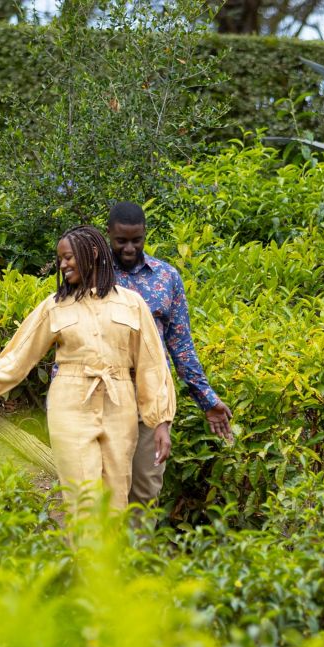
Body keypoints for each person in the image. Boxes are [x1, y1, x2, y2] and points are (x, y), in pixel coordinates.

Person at [0, 225, 175, 518]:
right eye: (60, 260)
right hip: (71, 404)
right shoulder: (54, 308)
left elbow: (152, 365)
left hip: (120, 405)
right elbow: (16, 359)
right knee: (83, 500)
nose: (63, 265)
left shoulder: (132, 304)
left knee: (116, 499)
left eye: (68, 257)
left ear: (93, 253)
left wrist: (161, 422)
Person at [104, 201, 231, 506]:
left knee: (145, 490)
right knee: (104, 489)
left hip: (152, 398)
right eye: (121, 241)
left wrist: (207, 399)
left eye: (137, 240)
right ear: (108, 234)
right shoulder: (94, 274)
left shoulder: (166, 276)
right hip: (105, 397)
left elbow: (181, 345)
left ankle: (139, 539)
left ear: (145, 234)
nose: (129, 248)